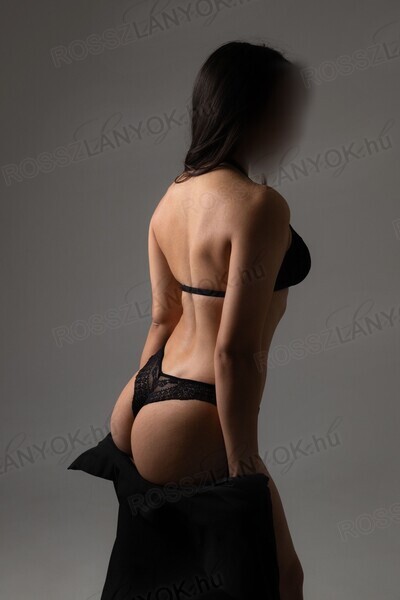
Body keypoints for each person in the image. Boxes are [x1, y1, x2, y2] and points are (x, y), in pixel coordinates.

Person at [68, 40, 311, 600]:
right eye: (284, 108)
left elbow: (162, 319)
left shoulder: (173, 195)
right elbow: (233, 351)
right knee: (280, 579)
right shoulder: (261, 205)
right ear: (253, 111)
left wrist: (142, 414)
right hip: (201, 406)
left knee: (179, 582)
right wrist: (243, 458)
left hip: (145, 394)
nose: (291, 124)